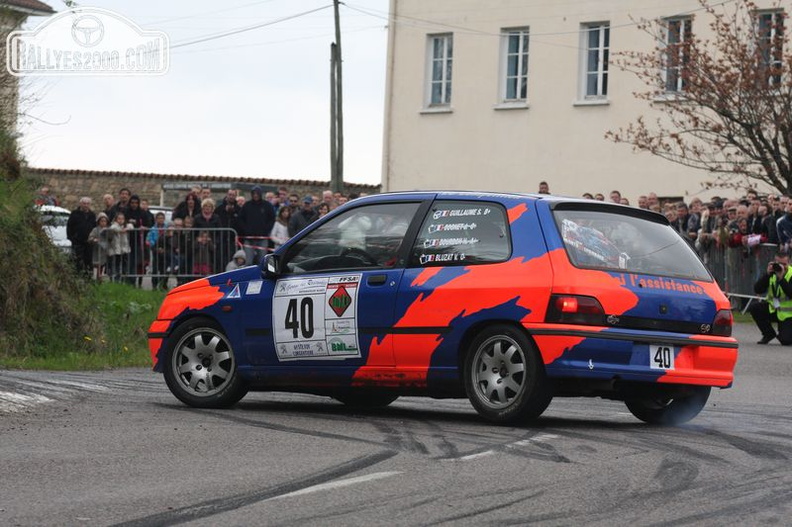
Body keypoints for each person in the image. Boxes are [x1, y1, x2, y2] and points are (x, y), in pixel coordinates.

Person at [750, 252, 792, 345]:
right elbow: (758, 289)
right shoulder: (772, 273)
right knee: (754, 307)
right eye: (779, 263)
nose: (781, 267)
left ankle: (784, 333)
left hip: (789, 315)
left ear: (789, 263)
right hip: (774, 309)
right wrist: (767, 275)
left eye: (784, 264)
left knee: (786, 341)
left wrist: (781, 279)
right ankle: (768, 334)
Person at [239, 185, 275, 265]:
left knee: (262, 262)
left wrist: (266, 230)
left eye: (257, 193)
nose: (255, 195)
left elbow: (272, 219)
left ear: (260, 194)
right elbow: (240, 219)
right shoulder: (246, 205)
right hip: (249, 239)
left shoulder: (267, 205)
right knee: (248, 262)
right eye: (254, 193)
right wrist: (245, 230)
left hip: (262, 238)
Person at [66, 196, 96, 276]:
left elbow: (94, 227)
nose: (86, 205)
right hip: (77, 241)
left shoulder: (92, 215)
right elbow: (69, 226)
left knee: (88, 260)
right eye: (84, 203)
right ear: (80, 204)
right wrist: (71, 238)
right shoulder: (74, 213)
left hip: (88, 242)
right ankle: (77, 276)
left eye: (87, 203)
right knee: (77, 260)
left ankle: (88, 277)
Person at [194, 198, 222, 272]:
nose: (207, 208)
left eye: (209, 206)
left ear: (212, 208)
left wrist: (215, 242)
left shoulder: (216, 218)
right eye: (205, 206)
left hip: (212, 244)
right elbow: (193, 232)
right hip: (200, 245)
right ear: (202, 207)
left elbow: (219, 232)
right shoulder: (197, 218)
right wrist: (197, 239)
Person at [106, 212, 133, 282]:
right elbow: (113, 228)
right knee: (116, 265)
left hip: (125, 249)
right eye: (119, 219)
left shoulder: (126, 226)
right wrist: (121, 230)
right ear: (116, 219)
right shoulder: (114, 226)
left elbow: (131, 226)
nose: (121, 220)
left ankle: (123, 279)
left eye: (122, 219)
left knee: (124, 265)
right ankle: (116, 279)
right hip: (116, 249)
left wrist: (126, 229)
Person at [88, 212, 110, 280]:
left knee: (104, 265)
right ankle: (98, 278)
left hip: (106, 251)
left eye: (105, 221)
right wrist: (93, 239)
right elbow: (90, 238)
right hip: (97, 251)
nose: (103, 223)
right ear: (98, 221)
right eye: (102, 221)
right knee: (99, 265)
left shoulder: (108, 229)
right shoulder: (95, 230)